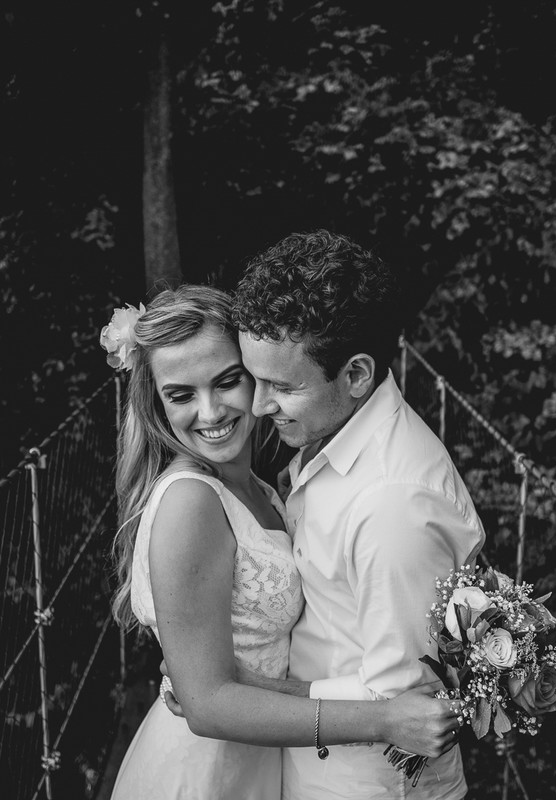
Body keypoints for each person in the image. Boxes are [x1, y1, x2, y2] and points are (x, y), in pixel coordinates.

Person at [102, 285, 459, 800]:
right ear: (156, 405)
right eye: (180, 394)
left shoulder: (260, 484)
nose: (210, 413)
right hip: (211, 767)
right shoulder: (190, 503)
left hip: (272, 751)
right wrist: (382, 719)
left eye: (228, 382)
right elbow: (205, 705)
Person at [230, 230, 488, 799]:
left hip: (368, 784)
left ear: (356, 375)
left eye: (280, 386)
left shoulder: (392, 506)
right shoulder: (332, 428)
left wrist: (249, 692)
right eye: (254, 378)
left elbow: (407, 700)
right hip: (315, 766)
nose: (257, 405)